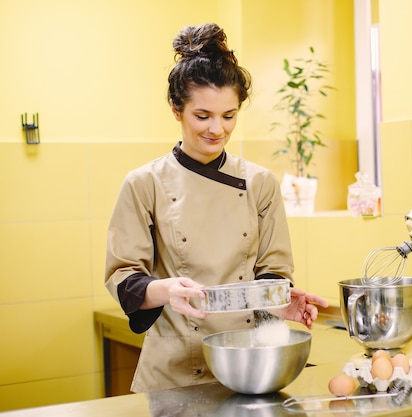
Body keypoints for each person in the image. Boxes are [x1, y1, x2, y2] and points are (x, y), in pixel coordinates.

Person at [104, 23, 328, 393]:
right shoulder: (145, 183)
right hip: (174, 373)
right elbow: (123, 278)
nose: (217, 129)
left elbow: (272, 270)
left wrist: (279, 302)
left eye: (229, 116)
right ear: (177, 110)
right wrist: (168, 291)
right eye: (202, 115)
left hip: (250, 365)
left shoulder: (260, 183)